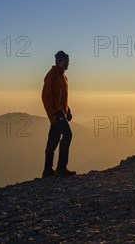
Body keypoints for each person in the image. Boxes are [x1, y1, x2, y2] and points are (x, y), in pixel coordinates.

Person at [41, 50, 76, 178]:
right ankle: (61, 168)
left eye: (68, 61)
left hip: (60, 112)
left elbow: (62, 98)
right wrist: (53, 115)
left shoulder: (63, 77)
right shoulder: (52, 75)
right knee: (67, 135)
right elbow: (46, 97)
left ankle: (47, 171)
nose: (68, 64)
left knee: (53, 140)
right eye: (66, 61)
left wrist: (68, 110)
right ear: (59, 62)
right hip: (56, 113)